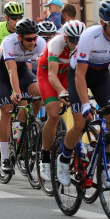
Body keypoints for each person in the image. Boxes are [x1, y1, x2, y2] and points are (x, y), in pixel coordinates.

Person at [57, 0, 110, 192]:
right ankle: (63, 158)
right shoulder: (89, 36)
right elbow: (80, 75)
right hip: (79, 74)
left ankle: (103, 170)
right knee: (80, 123)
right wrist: (86, 104)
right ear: (102, 23)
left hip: (101, 74)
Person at [0, 17, 46, 173]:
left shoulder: (40, 42)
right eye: (28, 39)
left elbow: (46, 67)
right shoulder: (9, 42)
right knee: (7, 109)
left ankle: (25, 124)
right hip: (1, 71)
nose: (32, 42)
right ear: (19, 37)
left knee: (41, 94)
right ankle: (4, 157)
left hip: (21, 69)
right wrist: (16, 92)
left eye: (34, 38)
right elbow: (10, 70)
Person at [37, 19, 85, 182]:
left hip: (67, 75)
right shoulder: (56, 43)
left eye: (80, 39)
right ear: (65, 38)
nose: (76, 43)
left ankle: (77, 149)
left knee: (82, 114)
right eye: (73, 39)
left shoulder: (83, 46)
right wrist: (62, 92)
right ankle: (44, 158)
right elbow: (52, 75)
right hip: (47, 74)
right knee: (54, 115)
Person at [0, 1, 25, 158]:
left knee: (22, 102)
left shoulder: (23, 29)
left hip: (16, 67)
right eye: (13, 18)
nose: (17, 20)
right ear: (7, 18)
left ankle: (17, 137)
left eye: (19, 17)